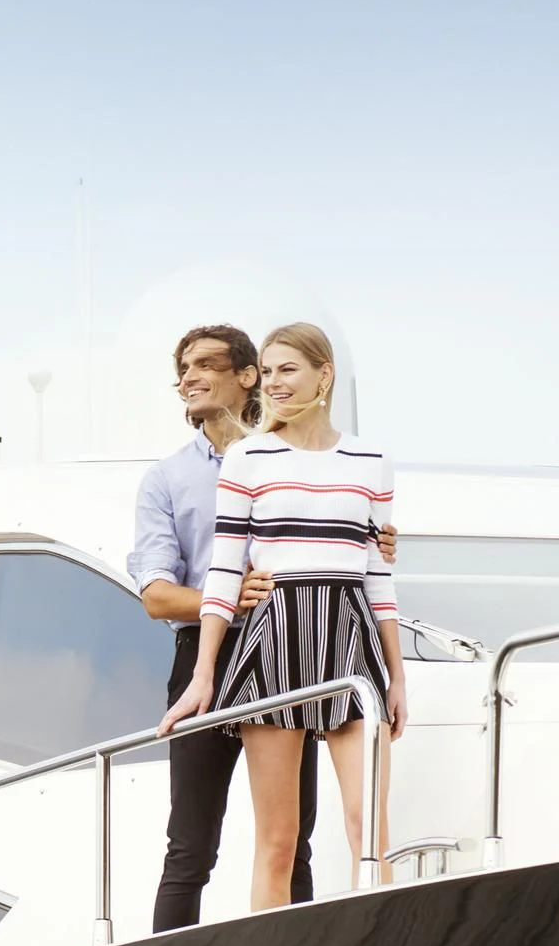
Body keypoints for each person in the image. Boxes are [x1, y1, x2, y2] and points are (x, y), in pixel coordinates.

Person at [163, 323, 404, 909]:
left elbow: (378, 574)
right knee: (279, 842)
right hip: (276, 640)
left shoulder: (371, 461)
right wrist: (204, 676)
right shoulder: (247, 458)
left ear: (324, 374)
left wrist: (398, 678)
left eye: (287, 370)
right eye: (267, 373)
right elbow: (223, 572)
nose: (275, 384)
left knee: (368, 830)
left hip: (351, 639)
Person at [129, 326, 318, 931]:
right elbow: (157, 596)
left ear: (248, 375)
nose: (188, 376)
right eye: (181, 367)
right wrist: (230, 600)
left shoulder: (300, 457)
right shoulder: (165, 479)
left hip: (287, 654)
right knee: (189, 850)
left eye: (205, 363)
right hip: (200, 661)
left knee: (292, 846)